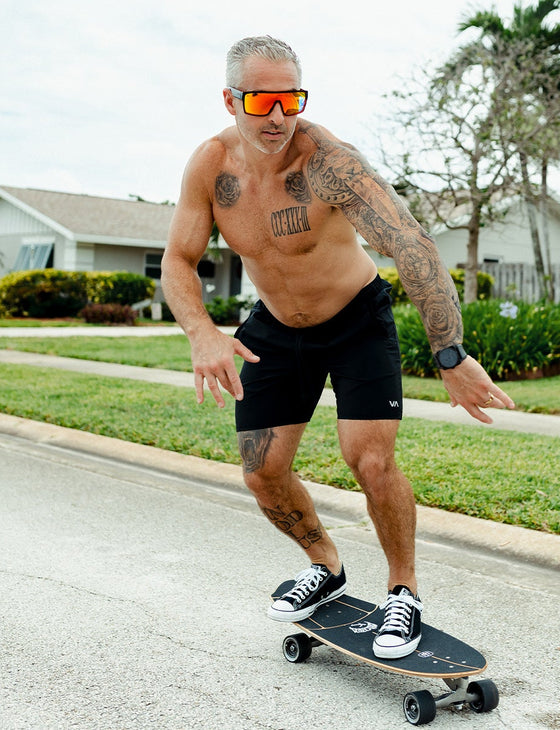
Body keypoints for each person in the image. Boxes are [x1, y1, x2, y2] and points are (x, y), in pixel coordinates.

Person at [163, 35, 513, 659]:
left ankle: (402, 592)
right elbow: (179, 259)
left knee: (369, 461)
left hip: (355, 319)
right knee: (262, 474)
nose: (278, 117)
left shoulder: (328, 162)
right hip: (274, 325)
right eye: (262, 100)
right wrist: (202, 332)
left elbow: (412, 247)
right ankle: (326, 566)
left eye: (290, 99)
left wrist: (450, 355)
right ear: (230, 98)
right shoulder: (211, 167)